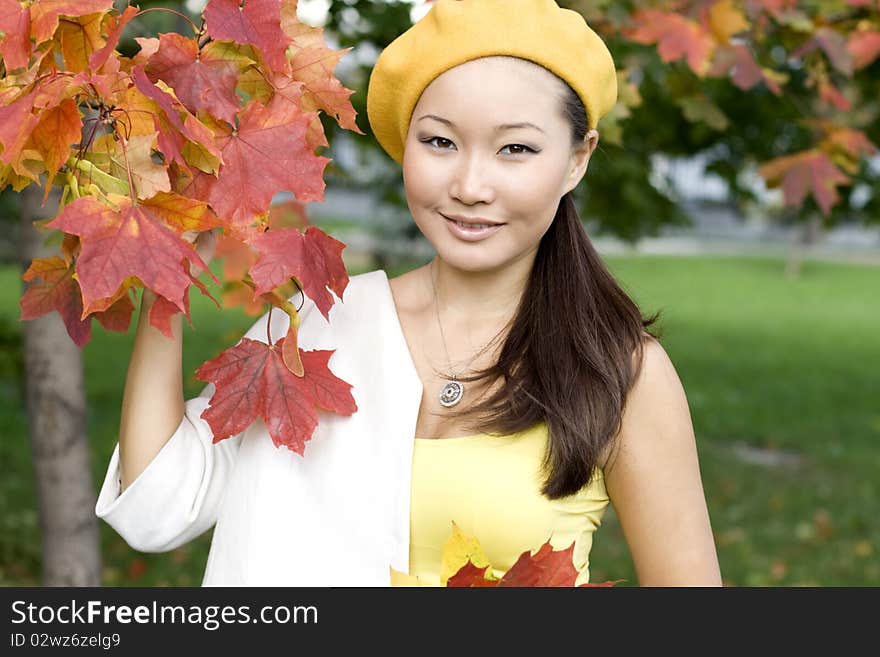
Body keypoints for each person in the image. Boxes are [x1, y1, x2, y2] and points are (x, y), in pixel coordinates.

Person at [95, 0, 722, 587]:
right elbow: (156, 508)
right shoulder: (313, 326)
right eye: (440, 142)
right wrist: (165, 270)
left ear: (577, 160)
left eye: (516, 149)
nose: (471, 185)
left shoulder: (620, 370)